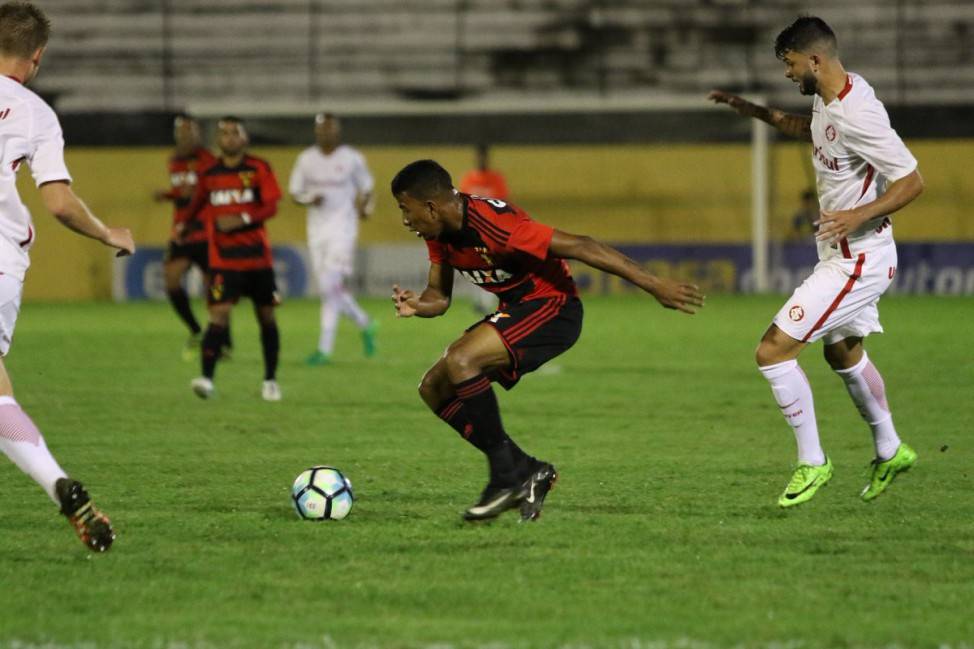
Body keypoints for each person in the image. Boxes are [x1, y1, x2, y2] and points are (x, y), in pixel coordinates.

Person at [390, 159, 704, 522]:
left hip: (554, 308)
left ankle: (505, 478)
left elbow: (582, 245)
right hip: (517, 309)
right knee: (433, 387)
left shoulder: (497, 225)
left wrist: (654, 284)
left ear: (431, 207)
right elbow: (438, 296)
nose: (405, 220)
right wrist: (419, 304)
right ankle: (525, 470)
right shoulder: (440, 233)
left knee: (462, 359)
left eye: (405, 209)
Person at [709, 16, 924, 508]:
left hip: (857, 261)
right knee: (842, 353)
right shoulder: (828, 100)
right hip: (847, 254)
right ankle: (891, 448)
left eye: (790, 64)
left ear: (814, 59)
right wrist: (754, 111)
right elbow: (811, 131)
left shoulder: (859, 113)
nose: (788, 73)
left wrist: (857, 215)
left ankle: (813, 461)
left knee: (772, 351)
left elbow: (913, 181)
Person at [0, 1, 135, 551]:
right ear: (36, 56)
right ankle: (58, 483)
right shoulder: (34, 113)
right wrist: (107, 233)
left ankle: (57, 481)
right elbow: (58, 203)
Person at [185, 116, 283, 402]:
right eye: (224, 133)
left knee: (266, 317)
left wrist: (242, 219)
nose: (229, 137)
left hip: (257, 259)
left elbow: (271, 206)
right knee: (218, 315)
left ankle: (270, 381)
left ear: (244, 138)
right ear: (218, 139)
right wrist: (183, 226)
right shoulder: (209, 172)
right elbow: (196, 203)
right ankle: (206, 379)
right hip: (223, 261)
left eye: (234, 132)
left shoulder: (258, 168)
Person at [288, 112, 377, 366]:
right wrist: (309, 199)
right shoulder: (306, 159)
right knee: (330, 289)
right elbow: (295, 192)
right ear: (316, 132)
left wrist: (366, 208)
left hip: (343, 230)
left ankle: (324, 349)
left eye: (330, 128)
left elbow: (367, 188)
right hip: (317, 232)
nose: (325, 133)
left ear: (337, 131)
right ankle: (365, 322)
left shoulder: (351, 158)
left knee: (329, 288)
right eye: (321, 129)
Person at [153, 113, 228, 360]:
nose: (185, 135)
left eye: (190, 131)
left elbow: (214, 191)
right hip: (182, 232)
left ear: (198, 134)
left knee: (213, 289)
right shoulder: (174, 161)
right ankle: (196, 330)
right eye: (181, 131)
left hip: (206, 232)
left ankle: (222, 340)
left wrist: (193, 193)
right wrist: (169, 195)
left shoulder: (209, 160)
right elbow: (182, 194)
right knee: (171, 280)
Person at [459, 144, 510, 315]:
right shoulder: (468, 179)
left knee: (492, 266)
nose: (481, 160)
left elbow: (503, 205)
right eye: (479, 157)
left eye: (484, 157)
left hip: (492, 231)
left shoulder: (496, 179)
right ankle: (478, 301)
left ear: (488, 158)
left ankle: (487, 303)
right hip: (472, 231)